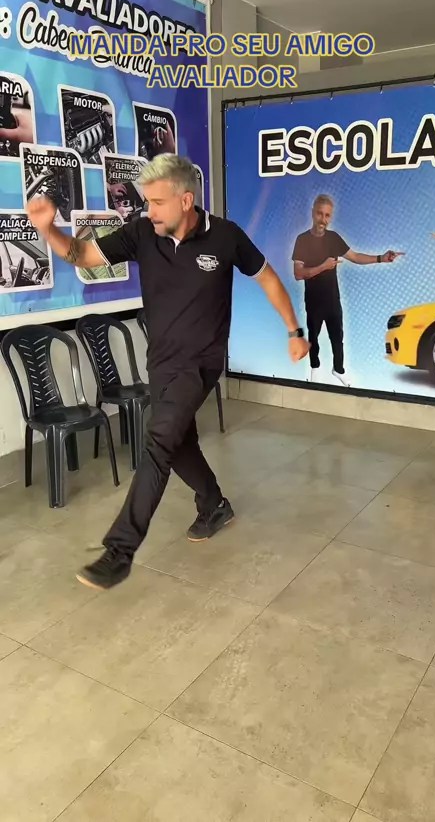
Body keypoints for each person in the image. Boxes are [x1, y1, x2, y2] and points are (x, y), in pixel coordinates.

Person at [27, 153, 310, 591]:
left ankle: (120, 551)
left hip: (201, 362)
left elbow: (269, 278)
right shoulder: (142, 233)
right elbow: (83, 255)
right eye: (147, 202)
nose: (150, 211)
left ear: (186, 200)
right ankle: (214, 504)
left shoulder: (226, 236)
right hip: (160, 361)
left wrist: (294, 330)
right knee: (178, 444)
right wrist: (48, 230)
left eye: (157, 202)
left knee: (158, 442)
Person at [292, 194, 404, 387]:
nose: (323, 219)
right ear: (312, 213)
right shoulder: (302, 240)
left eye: (327, 215)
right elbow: (298, 273)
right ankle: (315, 368)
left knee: (338, 338)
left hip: (333, 300)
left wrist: (381, 258)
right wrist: (323, 267)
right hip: (313, 301)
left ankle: (339, 370)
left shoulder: (334, 238)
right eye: (319, 214)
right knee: (314, 337)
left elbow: (356, 257)